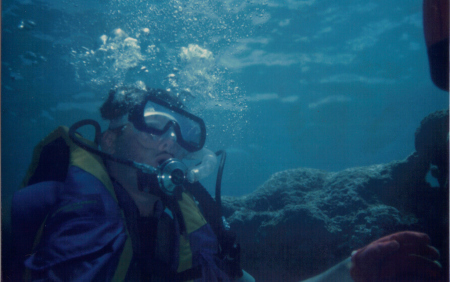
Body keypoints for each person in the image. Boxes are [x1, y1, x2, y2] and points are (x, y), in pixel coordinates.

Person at [11, 85, 443, 281]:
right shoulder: (55, 203)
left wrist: (348, 273)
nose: (172, 144)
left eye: (183, 133)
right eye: (157, 126)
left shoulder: (185, 221)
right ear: (110, 136)